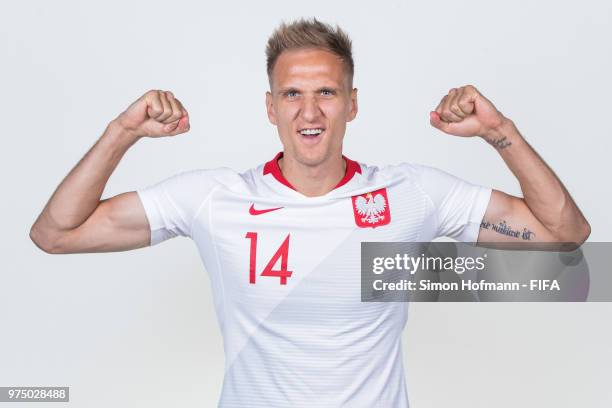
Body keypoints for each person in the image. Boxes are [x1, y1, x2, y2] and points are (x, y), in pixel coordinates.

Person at [30, 17, 590, 407]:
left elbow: (566, 236)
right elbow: (55, 233)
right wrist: (121, 132)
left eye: (326, 92)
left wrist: (499, 132)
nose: (310, 110)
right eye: (293, 95)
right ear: (271, 108)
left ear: (352, 103)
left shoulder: (413, 194)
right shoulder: (213, 198)